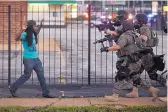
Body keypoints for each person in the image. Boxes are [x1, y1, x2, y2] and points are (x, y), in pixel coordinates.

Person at [101, 20, 159, 102]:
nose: (120, 28)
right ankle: (152, 90)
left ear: (124, 27)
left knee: (121, 75)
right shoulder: (135, 34)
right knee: (136, 78)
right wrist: (111, 33)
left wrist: (107, 49)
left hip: (129, 60)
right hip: (136, 59)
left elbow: (117, 47)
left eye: (122, 26)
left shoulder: (125, 36)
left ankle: (115, 96)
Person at [8, 20, 54, 98]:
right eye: (35, 26)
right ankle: (12, 87)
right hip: (28, 59)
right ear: (30, 27)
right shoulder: (25, 34)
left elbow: (37, 31)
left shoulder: (33, 33)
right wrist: (21, 29)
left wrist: (40, 26)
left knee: (41, 76)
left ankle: (46, 93)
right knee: (27, 75)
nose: (36, 27)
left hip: (36, 59)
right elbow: (16, 38)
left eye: (36, 26)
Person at [126, 13, 167, 98]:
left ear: (140, 21)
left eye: (136, 20)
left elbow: (144, 38)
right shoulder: (141, 28)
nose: (135, 21)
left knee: (153, 75)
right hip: (141, 54)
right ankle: (135, 92)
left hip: (146, 55)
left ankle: (166, 82)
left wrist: (135, 35)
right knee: (135, 73)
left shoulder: (144, 28)